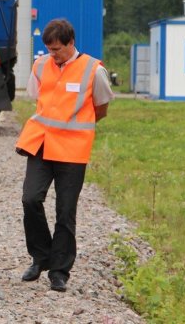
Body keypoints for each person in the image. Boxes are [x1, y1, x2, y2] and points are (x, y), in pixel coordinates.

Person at [15, 18, 115, 292]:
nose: (53, 55)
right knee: (30, 199)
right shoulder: (40, 65)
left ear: (71, 43)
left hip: (73, 149)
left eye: (58, 49)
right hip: (41, 143)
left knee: (65, 212)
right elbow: (39, 99)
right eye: (49, 49)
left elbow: (101, 107)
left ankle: (59, 271)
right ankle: (41, 257)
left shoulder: (93, 70)